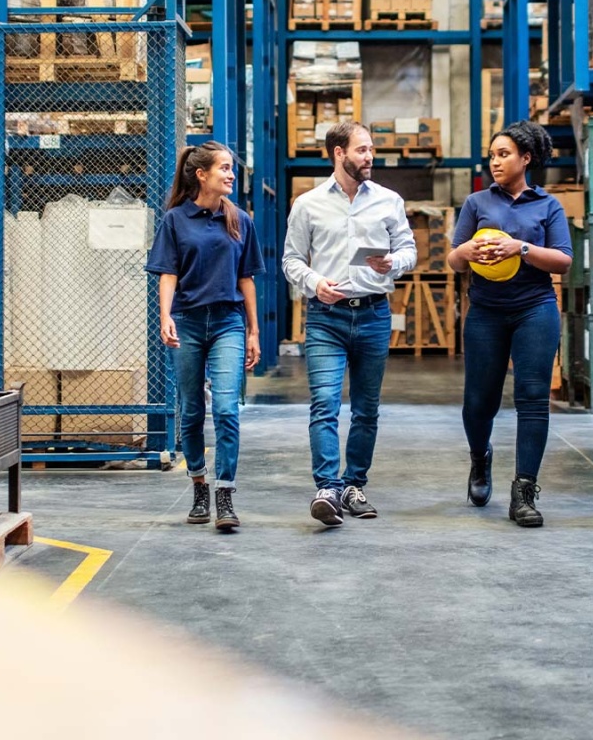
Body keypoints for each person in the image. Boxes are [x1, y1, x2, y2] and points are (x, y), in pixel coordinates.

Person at [282, 121, 417, 527]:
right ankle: (327, 487)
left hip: (375, 313)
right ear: (338, 153)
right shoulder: (308, 205)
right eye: (361, 150)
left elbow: (409, 249)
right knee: (324, 404)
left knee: (366, 409)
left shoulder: (389, 200)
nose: (369, 157)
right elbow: (291, 260)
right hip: (326, 317)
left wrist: (394, 262)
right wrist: (314, 283)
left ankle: (355, 485)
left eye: (371, 149)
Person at [450, 120, 573, 528]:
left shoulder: (548, 205)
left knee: (533, 398)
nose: (495, 162)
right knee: (478, 402)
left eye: (504, 155)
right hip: (485, 310)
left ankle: (524, 491)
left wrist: (519, 246)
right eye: (492, 155)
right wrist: (466, 250)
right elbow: (453, 260)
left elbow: (564, 260)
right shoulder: (477, 203)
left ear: (527, 158)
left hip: (534, 308)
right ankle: (480, 458)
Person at [146, 142, 264, 532]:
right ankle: (199, 483)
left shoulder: (240, 220)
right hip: (189, 322)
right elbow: (168, 273)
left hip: (229, 321)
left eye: (231, 169)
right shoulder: (175, 221)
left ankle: (225, 492)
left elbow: (246, 278)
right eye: (225, 168)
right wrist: (165, 316)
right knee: (192, 409)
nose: (231, 175)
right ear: (202, 175)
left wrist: (253, 330)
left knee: (227, 409)